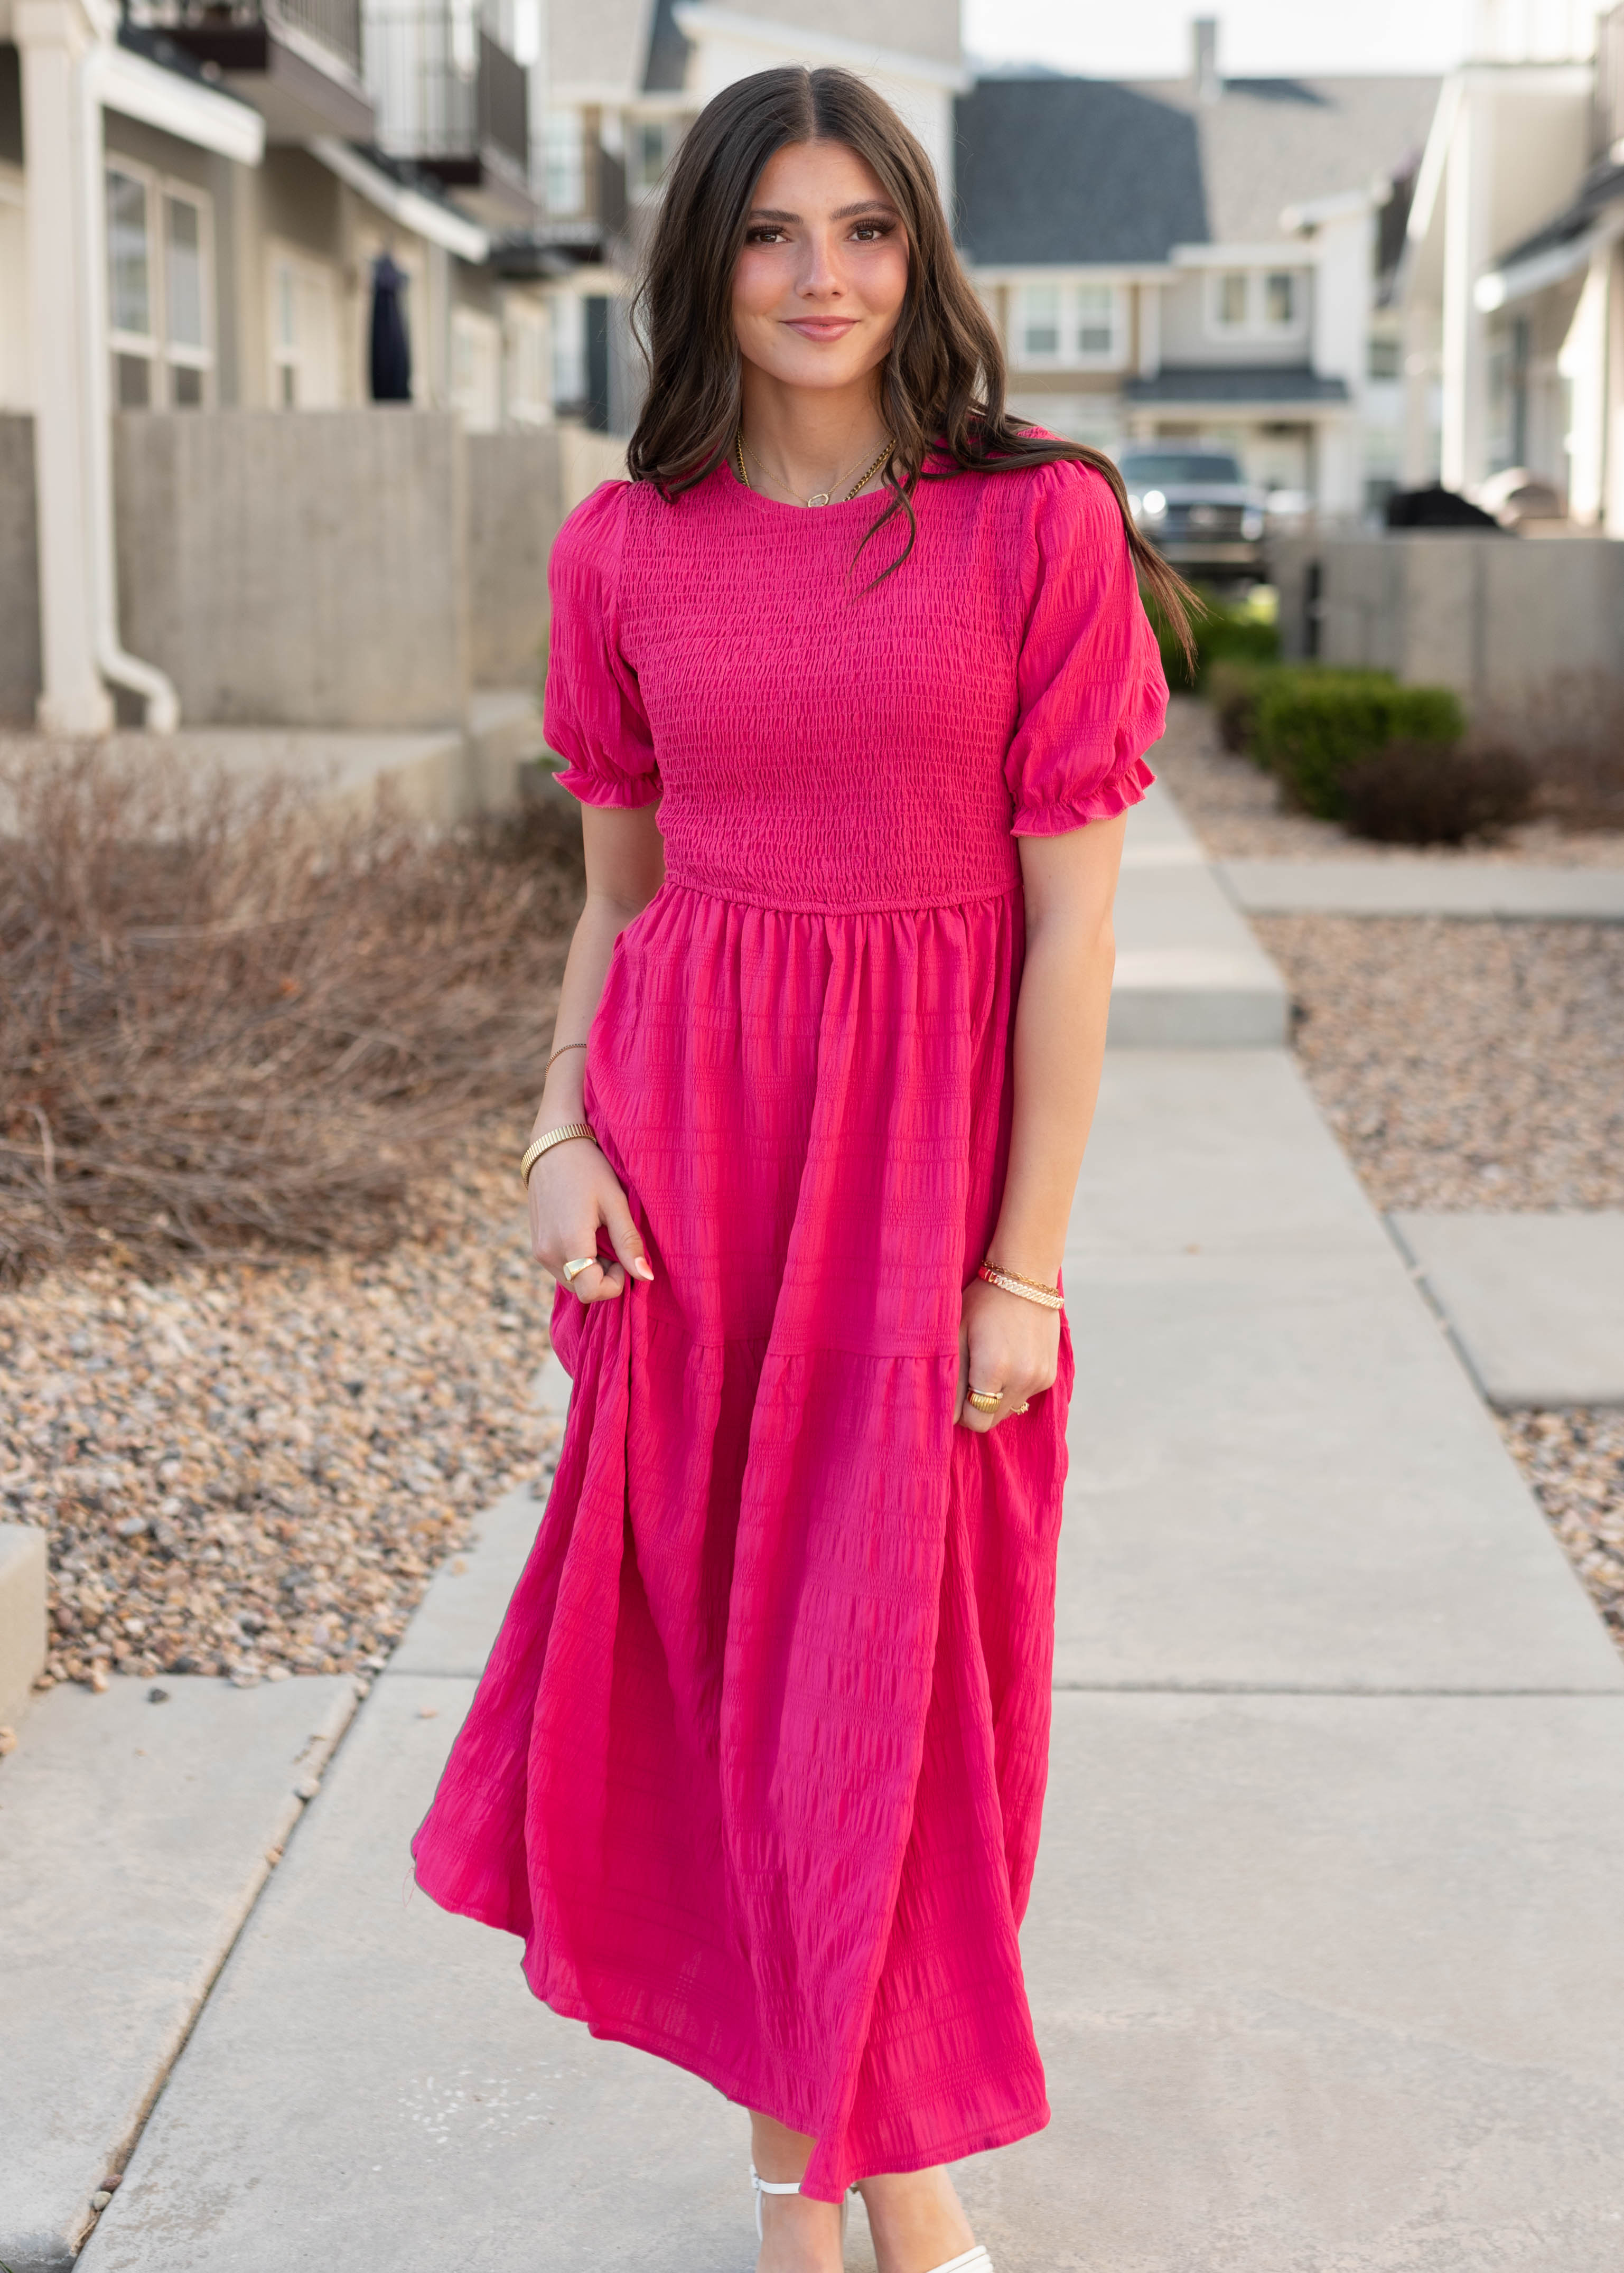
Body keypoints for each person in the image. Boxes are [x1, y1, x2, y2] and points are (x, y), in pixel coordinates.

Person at [412, 62, 1188, 2273]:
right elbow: (616, 897)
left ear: (916, 252)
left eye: (862, 228)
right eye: (771, 232)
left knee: (908, 1690)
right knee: (736, 1696)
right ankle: (814, 2185)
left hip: (926, 1182)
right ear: (706, 265)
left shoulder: (1036, 522)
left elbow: (1076, 929)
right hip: (689, 1179)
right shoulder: (622, 548)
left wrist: (1019, 1268)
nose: (821, 274)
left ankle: (886, 2162)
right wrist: (557, 1129)